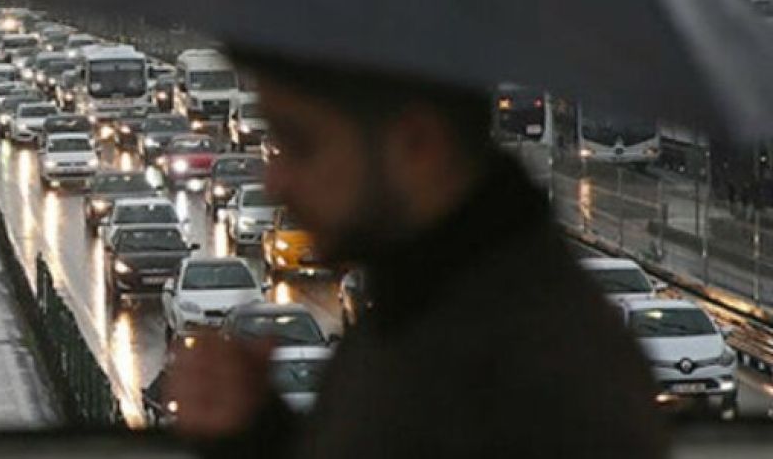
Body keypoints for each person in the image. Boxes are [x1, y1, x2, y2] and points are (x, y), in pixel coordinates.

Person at [166, 53, 668, 458]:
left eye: (301, 145)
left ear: (417, 145)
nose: (275, 182)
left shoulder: (494, 370)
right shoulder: (439, 308)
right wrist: (264, 435)